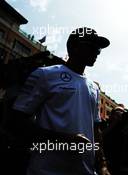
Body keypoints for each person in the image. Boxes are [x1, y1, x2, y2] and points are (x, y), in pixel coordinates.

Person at [11, 27, 111, 175]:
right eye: (92, 46)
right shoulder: (45, 75)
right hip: (46, 170)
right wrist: (62, 140)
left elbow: (96, 130)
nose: (96, 52)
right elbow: (16, 121)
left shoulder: (94, 88)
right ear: (74, 46)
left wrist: (102, 164)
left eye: (99, 49)